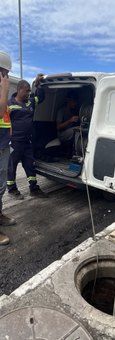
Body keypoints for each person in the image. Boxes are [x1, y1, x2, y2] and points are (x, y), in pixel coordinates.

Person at [7, 76, 48, 199]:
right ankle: (12, 189)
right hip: (14, 142)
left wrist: (38, 84)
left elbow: (41, 97)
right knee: (12, 165)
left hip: (27, 141)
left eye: (30, 91)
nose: (28, 93)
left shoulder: (30, 101)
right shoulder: (10, 104)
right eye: (26, 91)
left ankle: (34, 189)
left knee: (30, 164)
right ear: (19, 90)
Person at [0, 51, 16, 246]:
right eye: (5, 73)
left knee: (1, 185)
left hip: (3, 143)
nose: (7, 77)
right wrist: (4, 90)